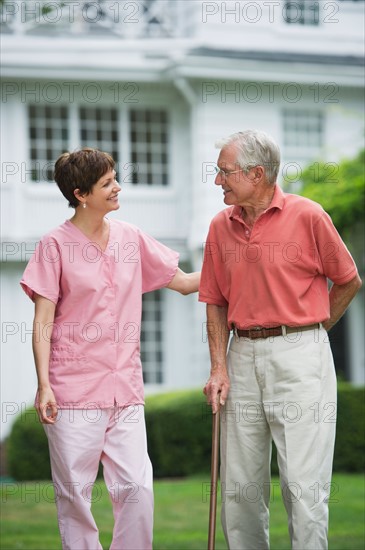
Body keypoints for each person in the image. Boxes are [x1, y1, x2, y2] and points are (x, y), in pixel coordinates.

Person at [20, 147, 200, 550]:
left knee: (136, 488)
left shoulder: (130, 238)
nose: (117, 187)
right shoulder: (54, 245)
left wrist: (243, 267)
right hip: (73, 392)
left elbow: (185, 282)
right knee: (75, 497)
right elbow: (43, 321)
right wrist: (44, 385)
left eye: (115, 178)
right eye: (107, 183)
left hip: (125, 390)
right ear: (81, 194)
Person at [199, 130, 362, 550]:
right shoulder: (220, 227)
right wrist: (218, 366)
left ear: (256, 173)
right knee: (239, 491)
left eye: (225, 172)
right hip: (241, 357)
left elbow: (347, 281)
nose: (218, 181)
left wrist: (312, 331)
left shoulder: (308, 216)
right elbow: (214, 301)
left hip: (300, 356)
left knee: (304, 490)